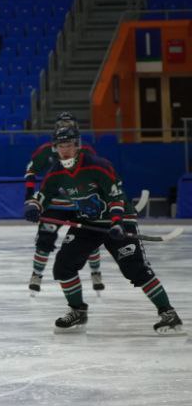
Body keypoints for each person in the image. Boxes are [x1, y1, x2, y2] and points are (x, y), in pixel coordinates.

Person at [23, 124, 183, 335]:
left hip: (119, 220)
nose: (65, 150)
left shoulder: (98, 166)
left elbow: (115, 197)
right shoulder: (56, 172)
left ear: (77, 145)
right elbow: (44, 195)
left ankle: (169, 314)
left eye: (69, 145)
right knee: (63, 266)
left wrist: (117, 222)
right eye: (60, 146)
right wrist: (35, 206)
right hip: (88, 223)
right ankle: (77, 310)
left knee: (136, 270)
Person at [24, 112, 104, 294]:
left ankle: (96, 272)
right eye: (62, 123)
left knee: (91, 237)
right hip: (54, 204)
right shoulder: (46, 150)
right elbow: (31, 171)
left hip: (81, 203)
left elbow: (97, 176)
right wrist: (30, 197)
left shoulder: (87, 152)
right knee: (45, 239)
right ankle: (36, 274)